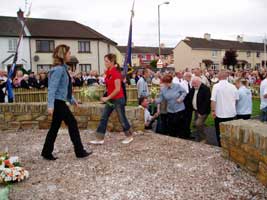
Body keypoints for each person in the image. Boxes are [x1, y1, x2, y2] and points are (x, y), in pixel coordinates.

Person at [41, 44, 91, 160]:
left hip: (60, 102)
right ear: (63, 55)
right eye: (68, 53)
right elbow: (52, 88)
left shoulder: (63, 68)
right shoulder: (58, 69)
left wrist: (73, 100)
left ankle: (46, 151)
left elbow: (64, 89)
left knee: (54, 127)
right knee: (72, 123)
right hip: (58, 103)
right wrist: (50, 106)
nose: (70, 55)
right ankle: (79, 151)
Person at [89, 53, 133, 145]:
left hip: (118, 99)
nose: (105, 63)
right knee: (104, 117)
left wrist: (107, 98)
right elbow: (109, 87)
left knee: (122, 118)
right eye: (104, 61)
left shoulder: (116, 73)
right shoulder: (108, 72)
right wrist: (104, 96)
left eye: (107, 61)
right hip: (111, 99)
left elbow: (117, 89)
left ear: (112, 62)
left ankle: (129, 136)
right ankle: (99, 138)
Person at [211, 70, 239, 147]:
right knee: (229, 132)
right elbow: (236, 99)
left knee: (219, 132)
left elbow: (213, 100)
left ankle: (221, 146)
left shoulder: (216, 86)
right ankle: (229, 146)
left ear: (219, 77)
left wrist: (213, 111)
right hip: (231, 113)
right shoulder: (233, 86)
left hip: (220, 114)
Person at [191, 77, 211, 142]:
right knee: (196, 124)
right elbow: (189, 97)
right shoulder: (194, 88)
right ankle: (199, 137)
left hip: (203, 111)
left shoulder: (205, 89)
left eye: (194, 83)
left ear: (199, 82)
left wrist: (201, 112)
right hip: (196, 110)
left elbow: (207, 102)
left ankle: (203, 138)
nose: (193, 85)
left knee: (198, 124)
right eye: (192, 83)